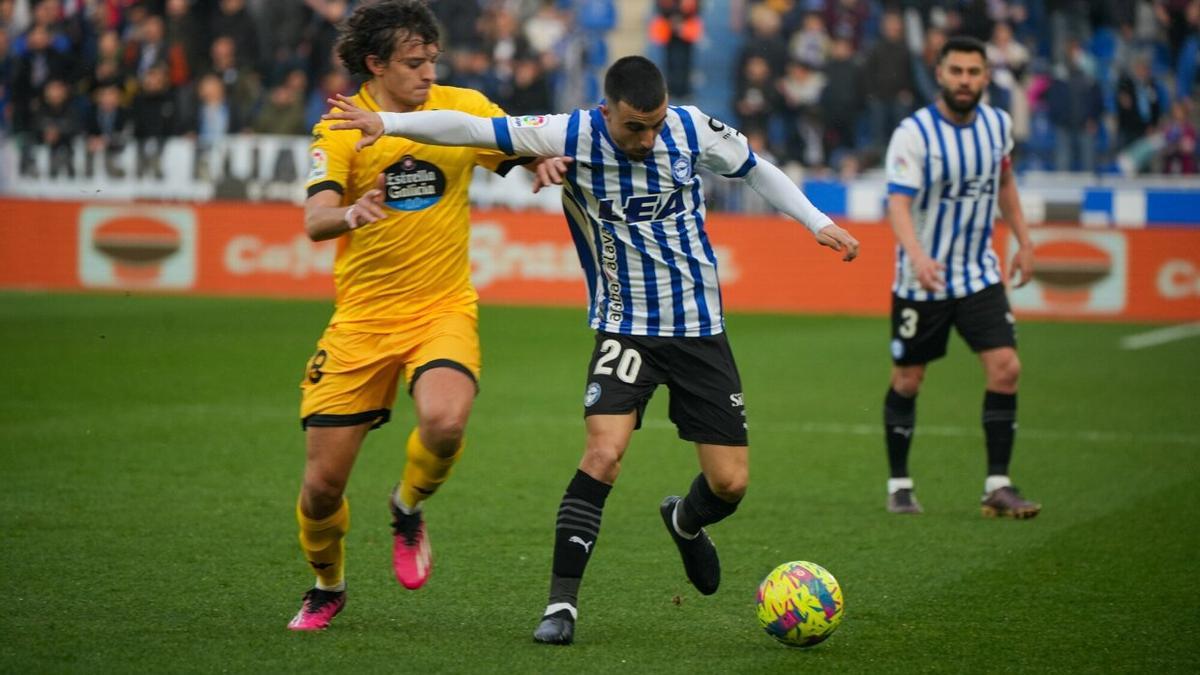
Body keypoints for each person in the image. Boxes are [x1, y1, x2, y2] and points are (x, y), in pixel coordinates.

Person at [321, 55, 860, 645]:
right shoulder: (569, 134)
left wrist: (815, 221)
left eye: (655, 123)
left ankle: (683, 520)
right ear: (608, 111)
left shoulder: (691, 128)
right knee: (602, 455)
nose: (648, 137)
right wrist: (390, 126)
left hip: (700, 328)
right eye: (635, 126)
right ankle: (560, 607)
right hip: (625, 327)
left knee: (729, 484)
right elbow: (473, 129)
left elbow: (757, 169)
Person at [287, 0, 540, 632]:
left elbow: (520, 146)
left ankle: (407, 506)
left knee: (446, 420)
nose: (428, 72)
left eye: (432, 59)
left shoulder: (465, 107)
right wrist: (348, 214)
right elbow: (316, 218)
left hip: (441, 306)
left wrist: (546, 161)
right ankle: (328, 585)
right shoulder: (342, 126)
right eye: (412, 62)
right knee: (321, 489)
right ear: (374, 64)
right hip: (362, 321)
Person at [881, 36, 1041, 519]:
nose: (965, 81)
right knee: (909, 380)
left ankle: (998, 484)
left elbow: (1005, 181)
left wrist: (1025, 240)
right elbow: (899, 202)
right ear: (940, 74)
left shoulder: (996, 125)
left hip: (978, 275)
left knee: (1006, 368)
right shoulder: (914, 134)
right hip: (921, 281)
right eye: (957, 72)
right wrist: (918, 256)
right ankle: (900, 484)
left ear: (986, 77)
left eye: (974, 72)